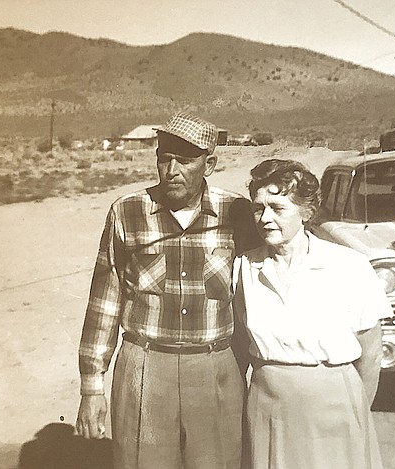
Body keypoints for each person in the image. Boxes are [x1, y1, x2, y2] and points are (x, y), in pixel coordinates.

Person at [76, 111, 256, 469]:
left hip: (216, 368)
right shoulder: (127, 212)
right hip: (143, 369)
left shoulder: (238, 213)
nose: (171, 169)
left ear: (209, 163)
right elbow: (105, 303)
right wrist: (91, 387)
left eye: (185, 160)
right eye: (164, 157)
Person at [233, 159, 392, 469]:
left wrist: (354, 409)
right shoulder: (245, 268)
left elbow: (370, 355)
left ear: (305, 212)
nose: (265, 218)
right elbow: (241, 342)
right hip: (269, 408)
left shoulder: (348, 265)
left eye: (278, 209)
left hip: (333, 406)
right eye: (258, 208)